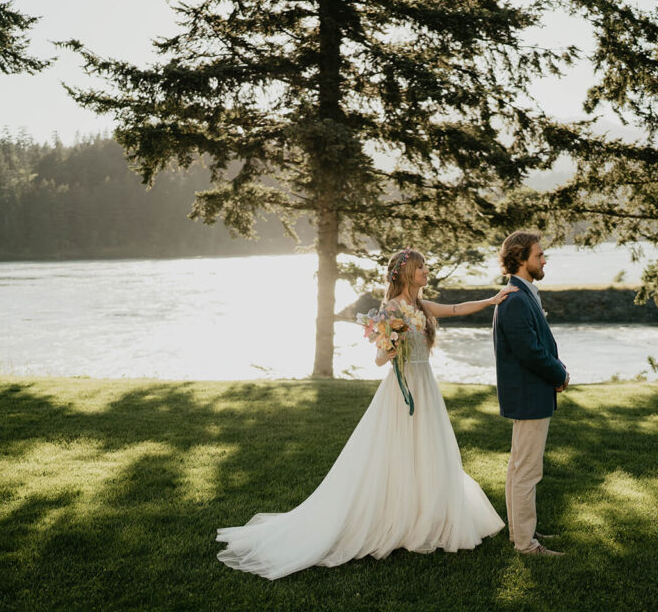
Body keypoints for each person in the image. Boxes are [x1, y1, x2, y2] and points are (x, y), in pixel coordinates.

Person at [216, 247, 517, 580]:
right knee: (398, 451)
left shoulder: (419, 306)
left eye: (425, 268)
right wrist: (391, 344)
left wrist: (492, 300)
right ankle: (396, 517)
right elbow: (378, 359)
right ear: (405, 273)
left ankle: (425, 515)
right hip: (403, 390)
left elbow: (458, 308)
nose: (426, 272)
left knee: (429, 450)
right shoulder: (391, 309)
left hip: (425, 387)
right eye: (421, 268)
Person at [492, 230, 569, 557]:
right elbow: (530, 352)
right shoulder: (516, 299)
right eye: (538, 255)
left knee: (518, 468)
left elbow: (537, 345)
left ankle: (520, 532)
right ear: (521, 260)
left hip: (528, 393)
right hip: (529, 394)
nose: (543, 260)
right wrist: (559, 373)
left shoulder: (522, 294)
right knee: (527, 471)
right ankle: (526, 544)